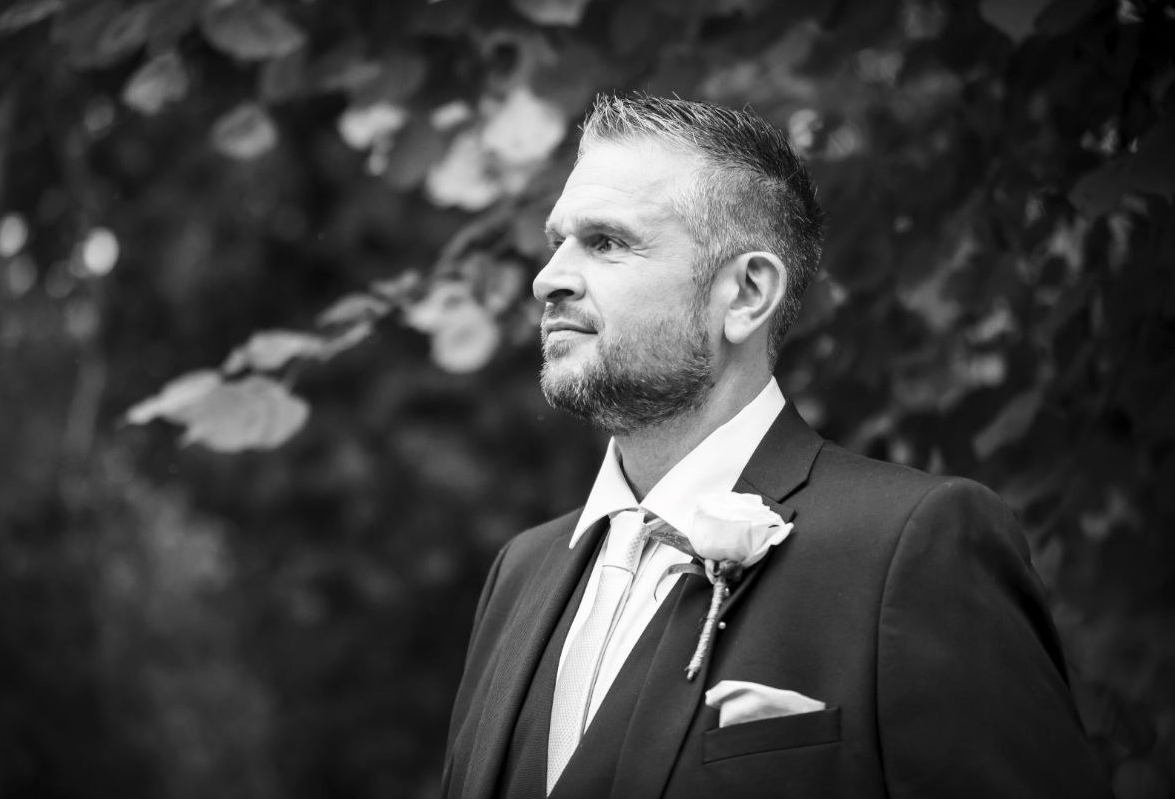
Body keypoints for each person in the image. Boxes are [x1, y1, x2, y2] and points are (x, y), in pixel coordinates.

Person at [441, 93, 1110, 799]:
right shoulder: (520, 572)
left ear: (746, 295)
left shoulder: (914, 546)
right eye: (557, 242)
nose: (548, 278)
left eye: (606, 242)